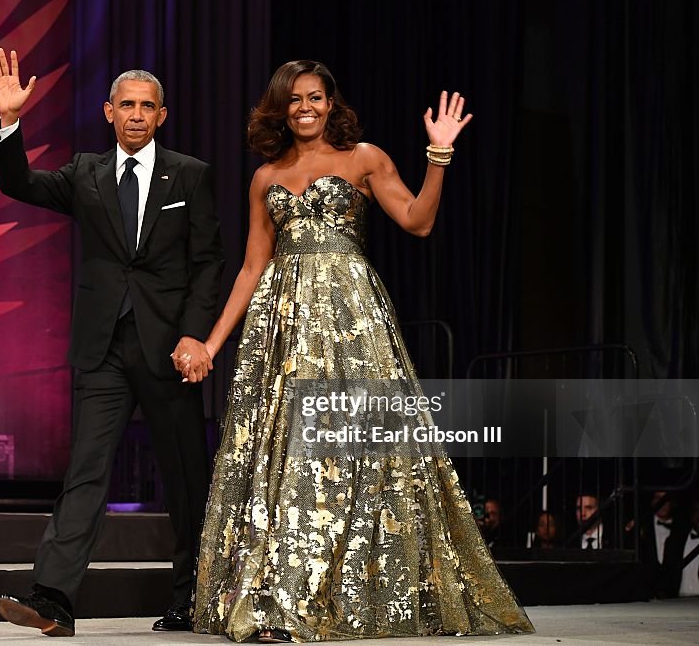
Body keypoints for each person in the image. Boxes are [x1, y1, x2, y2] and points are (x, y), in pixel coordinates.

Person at [188, 60, 534, 641]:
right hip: (282, 328)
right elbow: (252, 268)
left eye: (316, 97)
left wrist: (438, 156)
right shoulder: (265, 177)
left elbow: (418, 221)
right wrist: (213, 344)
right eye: (294, 99)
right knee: (287, 462)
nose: (305, 107)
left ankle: (338, 594)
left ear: (330, 103)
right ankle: (281, 601)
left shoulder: (363, 158)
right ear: (280, 106)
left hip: (351, 324)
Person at [0, 49, 224, 636]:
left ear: (162, 116)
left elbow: (210, 263)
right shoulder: (85, 173)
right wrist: (10, 122)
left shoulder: (189, 174)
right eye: (128, 106)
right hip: (102, 351)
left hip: (169, 350)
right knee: (85, 473)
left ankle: (190, 598)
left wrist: (196, 335)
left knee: (186, 481)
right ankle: (53, 599)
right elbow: (18, 182)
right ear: (108, 112)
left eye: (148, 106)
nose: (137, 115)